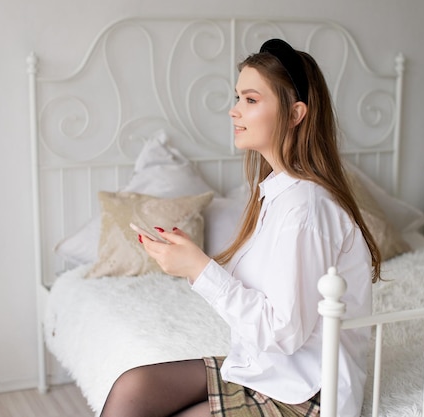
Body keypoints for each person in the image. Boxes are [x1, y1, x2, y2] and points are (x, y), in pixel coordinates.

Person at [100, 38, 381, 417]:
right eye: (237, 98)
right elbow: (262, 291)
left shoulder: (305, 206)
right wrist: (194, 260)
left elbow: (282, 333)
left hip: (304, 395)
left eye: (250, 100)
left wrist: (199, 270)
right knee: (134, 388)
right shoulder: (274, 194)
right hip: (264, 371)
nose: (234, 111)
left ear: (296, 113)